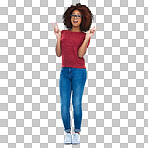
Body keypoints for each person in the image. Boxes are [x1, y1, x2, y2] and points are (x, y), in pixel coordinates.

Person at [51, 3, 97, 144]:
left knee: (76, 103)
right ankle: (67, 132)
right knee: (64, 105)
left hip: (79, 72)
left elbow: (80, 54)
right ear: (69, 17)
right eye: (73, 15)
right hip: (65, 71)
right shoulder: (63, 33)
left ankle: (77, 132)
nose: (75, 18)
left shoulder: (84, 36)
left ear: (83, 19)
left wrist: (88, 37)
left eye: (78, 15)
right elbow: (59, 54)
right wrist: (58, 38)